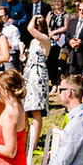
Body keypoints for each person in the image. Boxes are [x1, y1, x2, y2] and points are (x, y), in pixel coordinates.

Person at [22, 8, 56, 152]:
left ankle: (34, 142)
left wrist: (35, 15)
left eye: (38, 25)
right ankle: (24, 139)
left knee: (36, 109)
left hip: (38, 75)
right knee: (24, 108)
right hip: (29, 73)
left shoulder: (45, 39)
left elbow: (29, 28)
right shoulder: (33, 42)